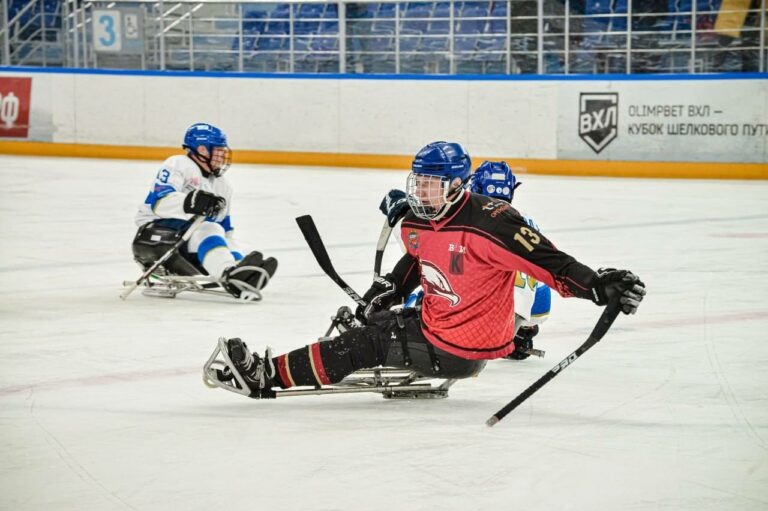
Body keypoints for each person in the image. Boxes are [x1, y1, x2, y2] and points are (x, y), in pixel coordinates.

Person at [217, 141, 645, 399]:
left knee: (368, 339)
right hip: (439, 323)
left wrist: (598, 286)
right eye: (417, 182)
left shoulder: (493, 222)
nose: (420, 191)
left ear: (456, 184)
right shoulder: (418, 222)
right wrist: (387, 291)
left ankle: (264, 376)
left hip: (463, 345)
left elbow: (554, 265)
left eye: (430, 184)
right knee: (380, 318)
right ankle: (372, 334)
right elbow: (418, 262)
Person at [380, 160, 551, 360]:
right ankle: (524, 333)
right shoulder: (523, 220)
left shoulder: (473, 222)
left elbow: (438, 258)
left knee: (436, 277)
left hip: (487, 317)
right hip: (537, 309)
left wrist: (402, 212)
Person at [132, 122, 277, 298]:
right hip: (155, 235)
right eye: (218, 151)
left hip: (188, 239)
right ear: (201, 149)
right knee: (209, 228)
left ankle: (240, 274)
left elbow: (225, 231)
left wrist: (237, 256)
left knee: (237, 246)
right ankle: (228, 275)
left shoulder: (223, 186)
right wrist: (191, 202)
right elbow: (159, 201)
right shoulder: (179, 163)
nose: (222, 156)